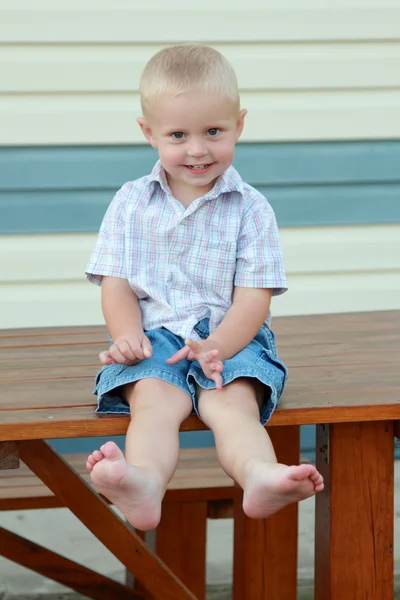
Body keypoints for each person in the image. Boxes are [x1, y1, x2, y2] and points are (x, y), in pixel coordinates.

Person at [85, 44, 323, 531]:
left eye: (213, 131)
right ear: (149, 133)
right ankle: (145, 482)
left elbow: (253, 295)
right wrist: (127, 334)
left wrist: (218, 346)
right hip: (156, 337)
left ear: (239, 124)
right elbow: (117, 282)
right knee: (154, 402)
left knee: (231, 402)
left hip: (229, 335)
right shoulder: (132, 202)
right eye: (178, 135)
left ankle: (259, 475)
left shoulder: (251, 208)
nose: (197, 149)